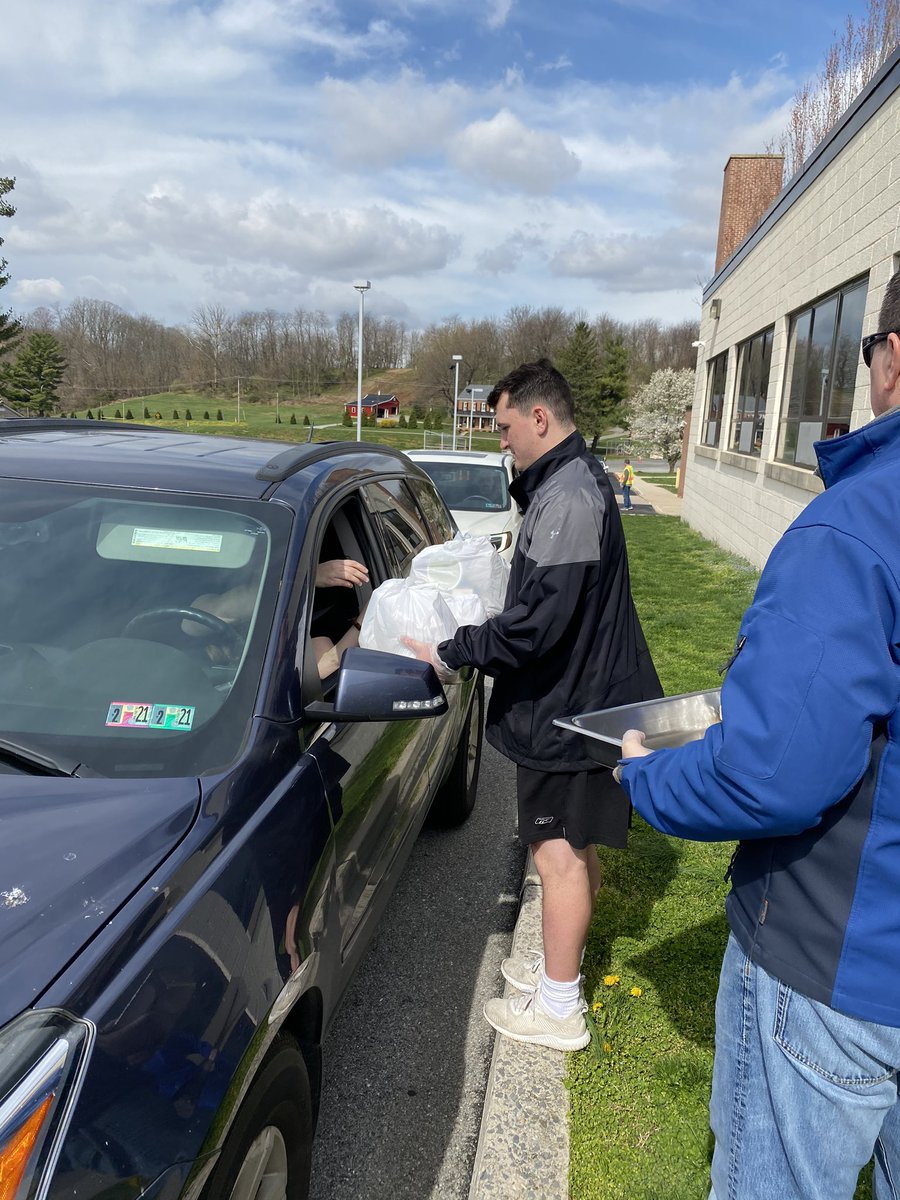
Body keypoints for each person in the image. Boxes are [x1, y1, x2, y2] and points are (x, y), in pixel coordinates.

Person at [616, 269, 900, 1199]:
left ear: (891, 357)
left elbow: (771, 772)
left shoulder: (857, 527)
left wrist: (648, 774)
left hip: (839, 973)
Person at [405, 358, 661, 1052]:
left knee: (556, 854)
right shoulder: (565, 482)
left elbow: (539, 622)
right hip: (584, 696)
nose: (503, 442)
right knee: (569, 846)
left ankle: (559, 1008)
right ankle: (557, 967)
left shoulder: (570, 493)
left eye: (506, 426)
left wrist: (452, 649)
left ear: (539, 418)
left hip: (573, 707)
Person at [188, 557, 368, 678]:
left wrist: (366, 619)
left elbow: (323, 666)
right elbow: (191, 623)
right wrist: (303, 578)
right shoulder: (210, 601)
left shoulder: (306, 618)